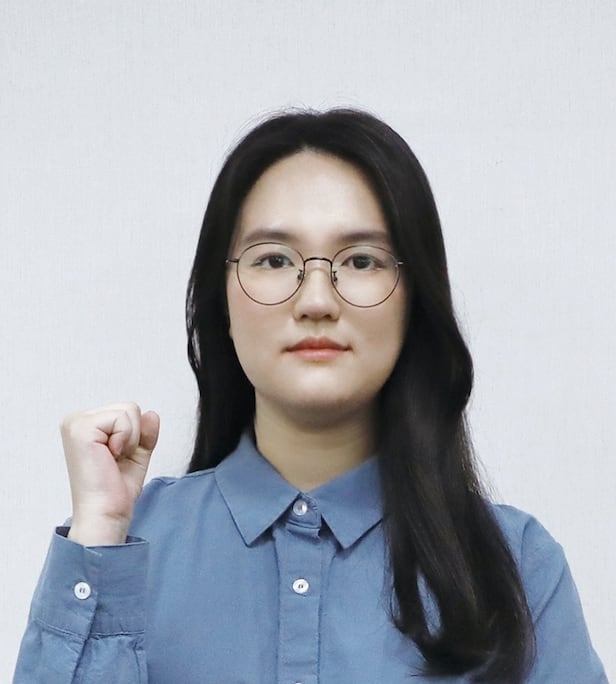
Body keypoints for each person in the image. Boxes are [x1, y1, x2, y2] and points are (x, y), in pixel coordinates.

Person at [14, 109, 607, 684]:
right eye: (274, 259)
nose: (317, 300)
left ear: (414, 299)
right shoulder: (118, 550)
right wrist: (98, 538)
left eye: (362, 260)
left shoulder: (517, 565)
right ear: (221, 301)